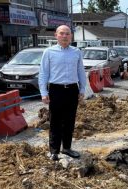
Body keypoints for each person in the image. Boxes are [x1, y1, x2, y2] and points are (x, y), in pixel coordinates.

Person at [38, 25, 87, 161]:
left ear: (71, 36)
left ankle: (67, 148)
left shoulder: (76, 52)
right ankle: (54, 151)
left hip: (72, 90)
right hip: (56, 90)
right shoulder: (48, 52)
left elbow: (81, 72)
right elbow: (43, 74)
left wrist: (82, 89)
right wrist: (43, 92)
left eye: (67, 34)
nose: (64, 36)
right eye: (62, 33)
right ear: (56, 35)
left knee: (69, 121)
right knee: (55, 121)